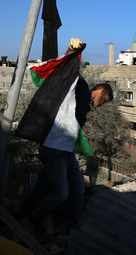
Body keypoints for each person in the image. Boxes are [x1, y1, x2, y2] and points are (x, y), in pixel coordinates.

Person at [21, 38, 113, 239]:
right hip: (53, 149)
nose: (102, 105)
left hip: (66, 150)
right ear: (102, 91)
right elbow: (66, 69)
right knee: (60, 194)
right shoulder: (79, 87)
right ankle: (32, 219)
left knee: (79, 190)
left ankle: (75, 226)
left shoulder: (84, 105)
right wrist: (71, 50)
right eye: (104, 101)